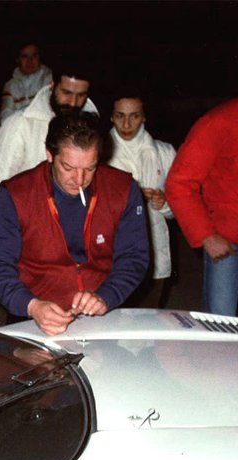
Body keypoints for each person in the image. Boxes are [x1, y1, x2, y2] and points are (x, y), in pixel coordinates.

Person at [0, 112, 149, 335]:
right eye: (68, 168)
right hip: (32, 315)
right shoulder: (15, 195)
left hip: (103, 315)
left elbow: (134, 255)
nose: (79, 180)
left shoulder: (123, 189)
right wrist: (30, 305)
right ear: (49, 154)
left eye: (90, 168)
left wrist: (107, 296)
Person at [165, 43, 238, 321]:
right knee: (219, 326)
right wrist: (205, 234)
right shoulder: (218, 122)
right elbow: (180, 183)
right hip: (226, 246)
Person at [0, 61, 98, 205]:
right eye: (66, 93)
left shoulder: (93, 125)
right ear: (52, 84)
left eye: (81, 95)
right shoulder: (20, 124)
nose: (73, 102)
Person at [108, 92, 176, 307]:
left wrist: (163, 202)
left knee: (148, 320)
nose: (127, 124)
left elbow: (177, 208)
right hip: (112, 252)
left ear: (144, 117)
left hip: (155, 249)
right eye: (120, 116)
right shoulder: (101, 153)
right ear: (111, 117)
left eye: (134, 116)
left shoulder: (164, 152)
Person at [0, 43, 53, 121]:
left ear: (39, 57)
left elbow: (49, 111)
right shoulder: (10, 86)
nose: (30, 61)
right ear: (17, 59)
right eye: (25, 56)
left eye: (34, 56)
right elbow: (5, 116)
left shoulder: (50, 79)